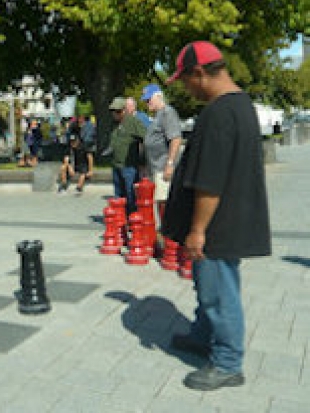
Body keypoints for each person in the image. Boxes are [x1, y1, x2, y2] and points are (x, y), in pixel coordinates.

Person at [163, 41, 271, 391]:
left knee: (218, 293)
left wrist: (197, 230)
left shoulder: (219, 113)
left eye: (185, 80)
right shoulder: (240, 105)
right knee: (208, 285)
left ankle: (227, 362)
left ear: (199, 73)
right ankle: (203, 335)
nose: (186, 88)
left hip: (216, 226)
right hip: (228, 218)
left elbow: (209, 180)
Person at [140, 84, 182, 225]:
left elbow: (175, 139)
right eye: (146, 101)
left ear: (158, 97)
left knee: (164, 201)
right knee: (159, 201)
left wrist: (170, 164)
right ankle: (164, 228)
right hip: (155, 167)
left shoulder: (167, 113)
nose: (147, 103)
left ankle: (167, 231)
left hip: (163, 166)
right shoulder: (157, 116)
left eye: (149, 100)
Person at [105, 97, 146, 215]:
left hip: (129, 165)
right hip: (116, 164)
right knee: (119, 195)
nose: (115, 114)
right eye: (113, 111)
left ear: (124, 110)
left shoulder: (133, 122)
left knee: (130, 194)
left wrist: (142, 160)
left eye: (118, 111)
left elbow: (145, 139)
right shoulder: (113, 124)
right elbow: (114, 140)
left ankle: (132, 218)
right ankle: (121, 218)